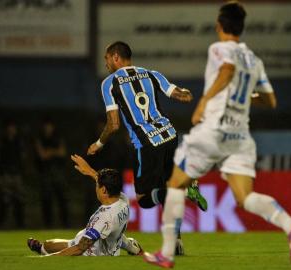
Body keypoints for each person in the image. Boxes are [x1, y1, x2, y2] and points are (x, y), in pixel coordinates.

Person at [144, 2, 291, 268]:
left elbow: (227, 70)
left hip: (213, 130)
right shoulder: (254, 60)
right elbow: (270, 100)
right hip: (240, 136)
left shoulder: (218, 48)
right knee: (245, 198)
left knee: (175, 184)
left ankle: (167, 252)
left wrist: (204, 101)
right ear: (241, 28)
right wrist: (241, 100)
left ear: (219, 26)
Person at [87, 41, 208, 254]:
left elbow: (113, 124)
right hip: (170, 136)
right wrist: (188, 93)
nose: (106, 63)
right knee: (169, 191)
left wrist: (98, 144)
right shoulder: (152, 74)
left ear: (116, 57)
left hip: (147, 143)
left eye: (106, 58)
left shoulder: (109, 83)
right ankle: (176, 243)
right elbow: (181, 94)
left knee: (145, 199)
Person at [27, 154, 142, 256]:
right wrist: (90, 171)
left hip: (93, 251)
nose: (95, 188)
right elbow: (107, 184)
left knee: (57, 249)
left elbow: (79, 249)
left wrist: (46, 259)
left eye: (98, 186)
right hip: (108, 238)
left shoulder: (104, 217)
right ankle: (132, 245)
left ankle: (41, 250)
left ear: (104, 190)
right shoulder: (123, 200)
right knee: (47, 245)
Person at [35, 117, 69, 227]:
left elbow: (62, 152)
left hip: (58, 173)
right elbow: (42, 155)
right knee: (46, 200)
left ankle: (65, 224)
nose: (48, 128)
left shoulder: (58, 138)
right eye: (46, 126)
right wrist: (54, 152)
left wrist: (49, 152)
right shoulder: (40, 139)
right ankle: (47, 224)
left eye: (49, 126)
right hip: (45, 174)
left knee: (62, 199)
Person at [0, 120, 25, 228]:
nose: (11, 130)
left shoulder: (19, 142)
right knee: (4, 200)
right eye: (9, 127)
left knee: (19, 200)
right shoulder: (2, 142)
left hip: (16, 175)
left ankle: (20, 225)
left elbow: (23, 158)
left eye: (13, 127)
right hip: (5, 175)